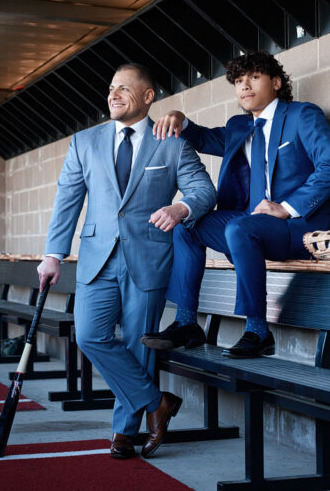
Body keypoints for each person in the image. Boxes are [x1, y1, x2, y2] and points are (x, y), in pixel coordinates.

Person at [37, 63, 216, 460]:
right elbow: (68, 200)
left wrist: (181, 208)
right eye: (111, 88)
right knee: (89, 335)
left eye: (124, 88)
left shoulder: (171, 142)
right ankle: (157, 403)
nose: (114, 94)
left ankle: (124, 431)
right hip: (96, 259)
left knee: (139, 344)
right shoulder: (84, 141)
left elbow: (204, 189)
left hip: (148, 257)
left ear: (148, 96)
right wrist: (53, 254)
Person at [141, 51, 330, 358]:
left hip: (299, 226)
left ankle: (257, 331)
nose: (245, 86)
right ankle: (186, 323)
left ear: (276, 83)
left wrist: (287, 207)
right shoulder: (240, 127)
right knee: (188, 225)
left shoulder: (302, 116)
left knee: (240, 226)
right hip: (251, 227)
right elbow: (202, 137)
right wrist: (179, 118)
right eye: (239, 81)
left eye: (254, 77)